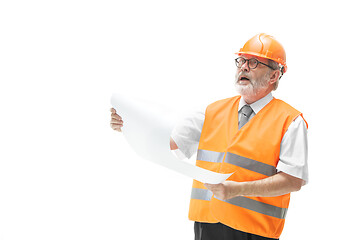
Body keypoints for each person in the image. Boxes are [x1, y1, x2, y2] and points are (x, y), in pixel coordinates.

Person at [110, 33, 308, 240]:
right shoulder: (212, 111)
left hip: (255, 230)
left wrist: (238, 190)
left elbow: (293, 180)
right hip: (207, 225)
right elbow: (168, 142)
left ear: (274, 76)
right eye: (241, 61)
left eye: (254, 62)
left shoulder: (290, 121)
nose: (244, 67)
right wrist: (127, 125)